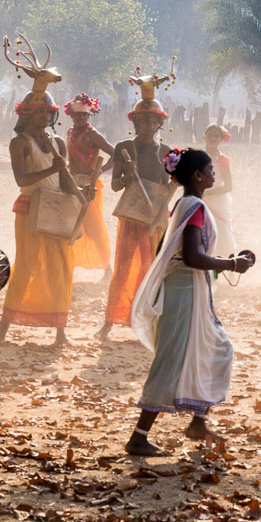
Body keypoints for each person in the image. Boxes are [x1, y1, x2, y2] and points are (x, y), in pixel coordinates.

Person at [124, 147, 256, 456]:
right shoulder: (193, 207)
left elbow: (174, 251)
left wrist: (225, 261)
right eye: (210, 170)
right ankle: (139, 437)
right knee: (170, 359)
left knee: (217, 348)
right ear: (197, 175)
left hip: (187, 288)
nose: (214, 174)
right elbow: (194, 257)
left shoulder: (185, 205)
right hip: (183, 291)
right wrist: (231, 264)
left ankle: (198, 421)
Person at [0, 82, 83, 344]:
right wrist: (53, 170)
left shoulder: (58, 142)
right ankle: (3, 327)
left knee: (62, 266)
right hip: (30, 208)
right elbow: (21, 179)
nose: (44, 117)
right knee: (26, 265)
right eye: (39, 112)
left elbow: (64, 179)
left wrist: (81, 194)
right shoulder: (18, 143)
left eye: (48, 112)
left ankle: (60, 331)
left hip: (57, 208)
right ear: (26, 114)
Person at [102, 69, 176, 336]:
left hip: (157, 217)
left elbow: (171, 186)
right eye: (141, 121)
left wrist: (175, 185)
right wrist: (129, 177)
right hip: (131, 216)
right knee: (123, 267)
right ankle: (110, 321)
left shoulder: (167, 151)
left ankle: (151, 323)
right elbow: (114, 185)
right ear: (134, 122)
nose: (146, 126)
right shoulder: (124, 147)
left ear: (159, 123)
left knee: (153, 269)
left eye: (151, 121)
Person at [64, 94, 115, 277]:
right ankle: (68, 264)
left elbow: (114, 154)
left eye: (84, 116)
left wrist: (99, 172)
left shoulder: (93, 134)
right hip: (71, 183)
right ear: (72, 116)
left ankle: (107, 268)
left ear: (89, 116)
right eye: (78, 116)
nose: (81, 119)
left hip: (89, 185)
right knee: (70, 225)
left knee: (93, 226)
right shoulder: (69, 133)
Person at [201, 122, 237, 245]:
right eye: (210, 135)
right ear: (204, 137)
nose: (212, 138)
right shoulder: (197, 157)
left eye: (216, 136)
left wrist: (208, 193)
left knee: (219, 230)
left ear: (220, 139)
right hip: (200, 196)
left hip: (218, 200)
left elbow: (228, 186)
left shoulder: (223, 159)